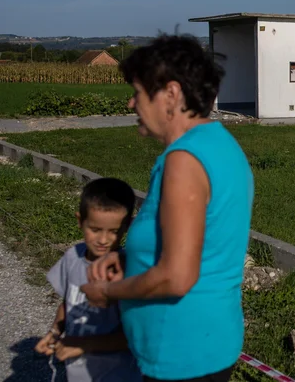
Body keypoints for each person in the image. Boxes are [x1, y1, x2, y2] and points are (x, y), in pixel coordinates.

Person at [79, 33, 255, 382]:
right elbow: (201, 243)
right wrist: (129, 258)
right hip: (207, 343)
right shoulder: (218, 144)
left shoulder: (184, 161)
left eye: (138, 93)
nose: (131, 104)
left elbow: (176, 278)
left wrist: (108, 291)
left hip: (180, 353)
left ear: (171, 95)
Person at [35, 177, 142, 382]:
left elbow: (134, 336)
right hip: (78, 373)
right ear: (80, 221)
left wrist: (83, 344)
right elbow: (68, 302)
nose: (103, 240)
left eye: (114, 231)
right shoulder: (72, 257)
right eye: (95, 229)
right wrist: (55, 331)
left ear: (127, 226)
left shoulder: (127, 270)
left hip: (118, 375)